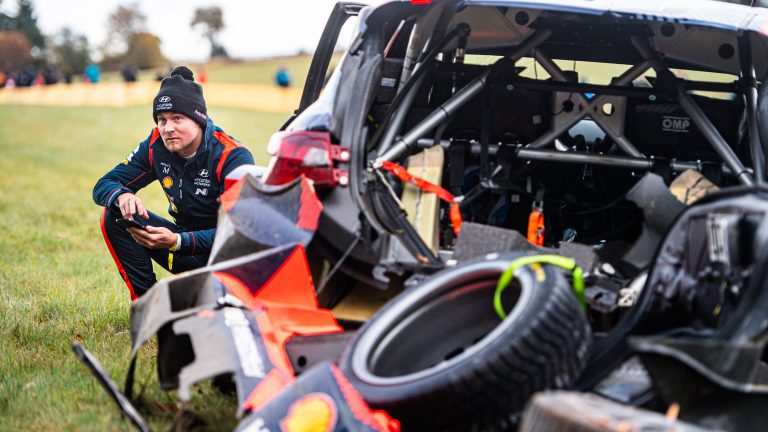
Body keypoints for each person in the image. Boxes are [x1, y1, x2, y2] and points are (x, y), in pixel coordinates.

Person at [93, 66, 255, 300]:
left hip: (228, 258)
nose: (168, 129)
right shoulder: (156, 144)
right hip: (181, 247)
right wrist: (122, 195)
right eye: (162, 120)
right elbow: (105, 183)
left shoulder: (232, 156)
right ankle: (147, 304)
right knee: (113, 214)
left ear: (198, 119)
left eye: (177, 118)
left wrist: (178, 241)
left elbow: (241, 232)